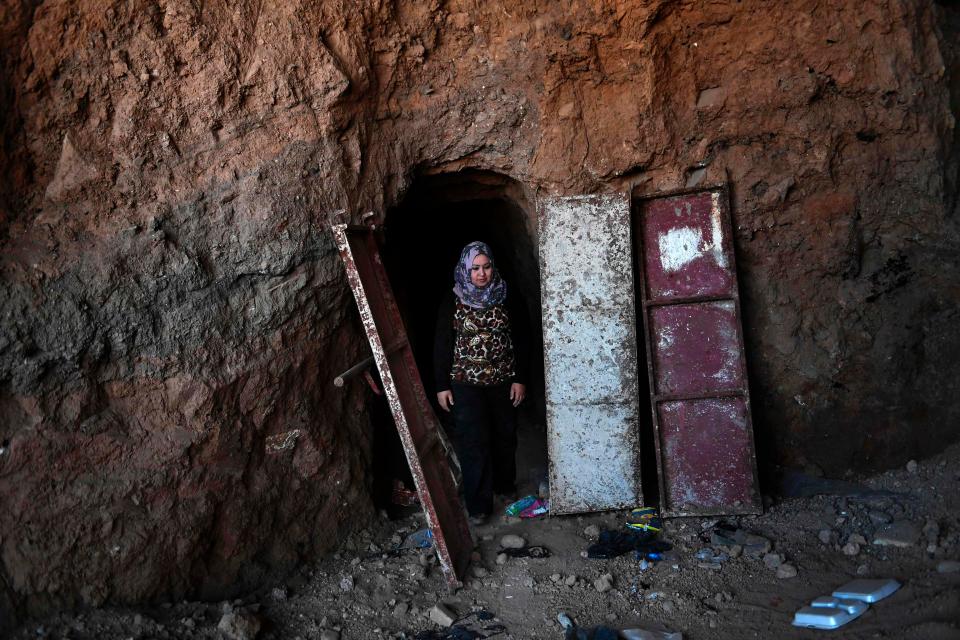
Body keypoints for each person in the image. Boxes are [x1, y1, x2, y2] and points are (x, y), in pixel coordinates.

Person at [434, 241, 529, 525]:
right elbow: (442, 343)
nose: (481, 273)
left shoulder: (506, 295)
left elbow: (523, 337)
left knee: (504, 435)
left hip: (503, 381)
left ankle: (504, 486)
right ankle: (478, 505)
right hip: (465, 384)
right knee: (473, 441)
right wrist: (442, 385)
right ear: (466, 269)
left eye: (486, 267)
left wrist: (520, 379)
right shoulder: (452, 299)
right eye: (475, 268)